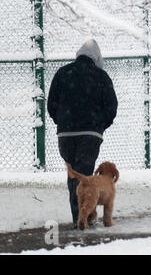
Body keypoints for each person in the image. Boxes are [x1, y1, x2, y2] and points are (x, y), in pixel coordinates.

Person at [47, 39, 118, 228]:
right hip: (90, 134)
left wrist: (62, 122)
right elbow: (111, 107)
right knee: (85, 173)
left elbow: (51, 104)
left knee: (74, 175)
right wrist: (100, 125)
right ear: (96, 58)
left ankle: (79, 216)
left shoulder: (63, 73)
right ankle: (84, 217)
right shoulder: (101, 76)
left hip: (66, 135)